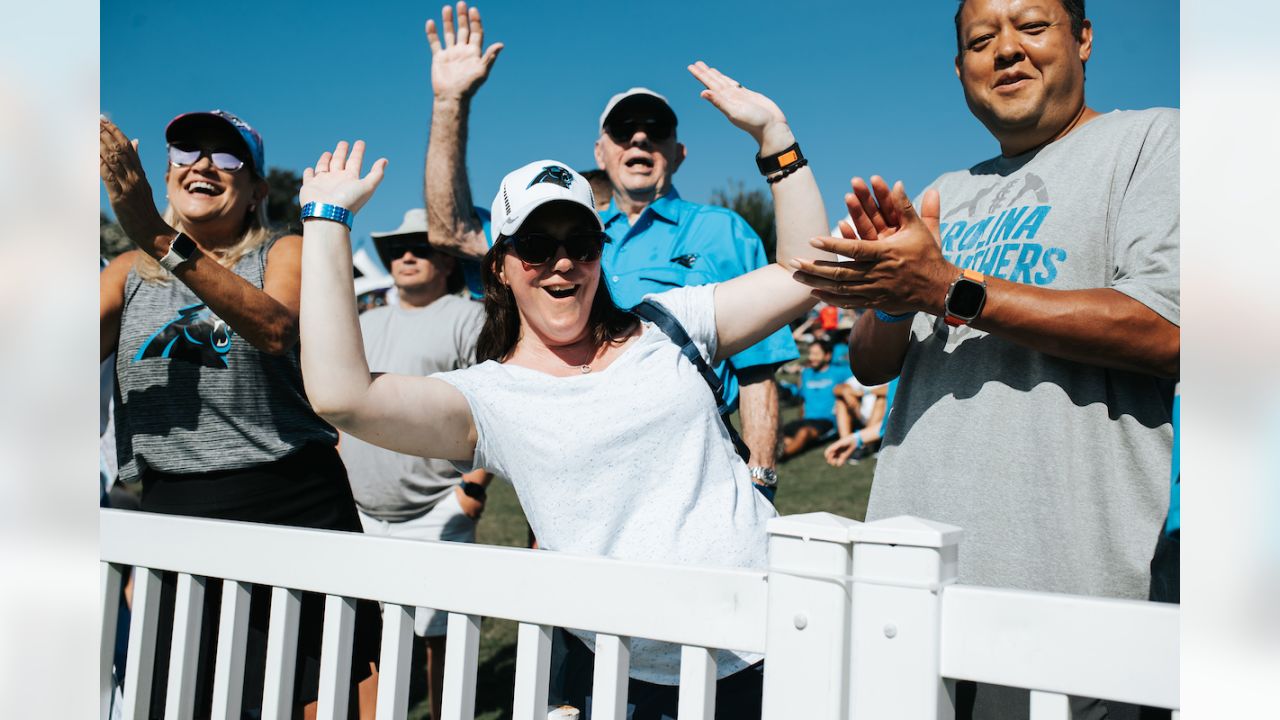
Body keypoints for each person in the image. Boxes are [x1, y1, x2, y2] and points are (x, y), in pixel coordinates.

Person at [297, 62, 830, 719]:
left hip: (770, 640)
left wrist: (774, 135)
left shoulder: (669, 321)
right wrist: (325, 223)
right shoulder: (490, 396)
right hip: (627, 675)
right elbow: (342, 396)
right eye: (536, 246)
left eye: (580, 242)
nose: (563, 263)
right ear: (500, 266)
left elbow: (810, 272)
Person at [790, 1, 1178, 717]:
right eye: (979, 39)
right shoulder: (948, 190)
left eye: (1032, 27)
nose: (1005, 51)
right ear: (961, 67)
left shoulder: (1155, 141)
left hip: (1067, 602)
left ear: (1083, 38)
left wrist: (947, 289)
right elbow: (873, 364)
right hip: (907, 594)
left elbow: (1167, 329)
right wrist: (892, 294)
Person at [421, 2, 796, 497]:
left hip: (692, 471)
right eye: (623, 130)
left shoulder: (723, 231)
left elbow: (758, 370)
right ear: (600, 153)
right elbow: (449, 230)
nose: (640, 136)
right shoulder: (552, 238)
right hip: (570, 471)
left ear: (678, 154)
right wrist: (451, 102)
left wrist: (760, 478)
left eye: (656, 129)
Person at [99, 110, 380, 718]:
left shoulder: (286, 251)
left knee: (316, 697)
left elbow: (276, 328)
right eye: (186, 152)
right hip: (176, 511)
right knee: (184, 697)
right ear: (166, 174)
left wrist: (157, 236)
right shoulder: (126, 276)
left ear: (256, 190)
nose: (203, 164)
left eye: (228, 158)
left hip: (291, 503)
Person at [339, 206, 490, 720]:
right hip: (360, 507)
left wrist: (472, 486)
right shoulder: (365, 319)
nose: (406, 256)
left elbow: (492, 402)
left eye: (421, 247)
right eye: (396, 249)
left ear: (446, 262)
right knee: (370, 636)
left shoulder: (470, 317)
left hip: (435, 506)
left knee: (439, 636)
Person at [779, 340, 851, 459]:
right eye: (811, 353)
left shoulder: (840, 372)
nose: (812, 357)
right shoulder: (806, 373)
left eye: (816, 354)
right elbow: (800, 397)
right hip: (806, 420)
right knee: (778, 433)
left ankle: (781, 456)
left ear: (827, 356)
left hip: (826, 421)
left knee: (803, 433)